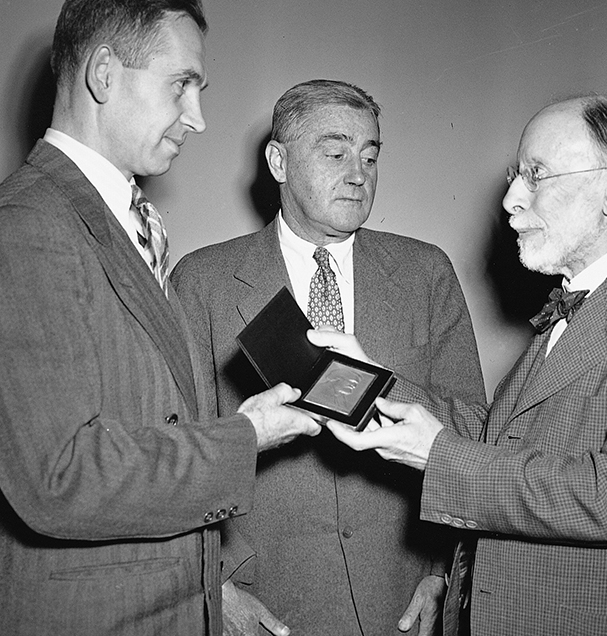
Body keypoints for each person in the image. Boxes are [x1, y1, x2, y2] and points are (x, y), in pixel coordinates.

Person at [0, 0, 320, 636]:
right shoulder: (20, 228)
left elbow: (147, 421)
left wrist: (213, 593)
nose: (199, 118)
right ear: (104, 75)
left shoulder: (121, 220)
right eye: (182, 85)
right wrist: (248, 435)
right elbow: (60, 475)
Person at [319, 94, 607, 636]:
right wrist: (372, 381)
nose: (512, 199)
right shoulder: (571, 304)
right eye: (517, 176)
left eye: (536, 175)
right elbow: (501, 440)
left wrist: (439, 457)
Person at [171, 79, 485, 636]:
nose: (359, 172)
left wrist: (439, 573)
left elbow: (471, 431)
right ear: (279, 161)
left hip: (400, 598)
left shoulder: (426, 273)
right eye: (336, 152)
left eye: (370, 155)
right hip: (266, 596)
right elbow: (183, 450)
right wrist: (216, 587)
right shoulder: (202, 283)